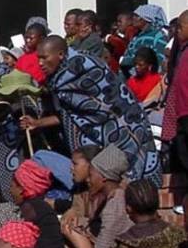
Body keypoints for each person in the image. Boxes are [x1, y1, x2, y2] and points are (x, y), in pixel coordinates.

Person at [28, 36, 160, 185]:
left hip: (126, 128)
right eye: (38, 58)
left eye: (44, 58)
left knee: (125, 182)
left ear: (60, 54)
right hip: (95, 140)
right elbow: (70, 113)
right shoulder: (59, 80)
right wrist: (38, 123)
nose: (40, 63)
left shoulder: (85, 68)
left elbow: (107, 105)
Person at [10, 160, 65, 248]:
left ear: (21, 189)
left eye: (12, 186)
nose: (10, 191)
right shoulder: (38, 205)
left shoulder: (29, 207)